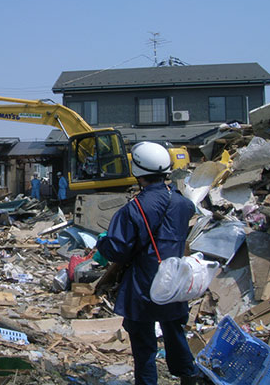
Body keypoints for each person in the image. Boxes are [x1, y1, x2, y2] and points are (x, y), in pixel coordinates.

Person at [96, 142, 200, 385]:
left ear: (137, 170)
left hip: (143, 284)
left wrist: (102, 244)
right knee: (175, 331)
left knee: (144, 347)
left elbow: (118, 250)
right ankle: (189, 376)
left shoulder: (133, 209)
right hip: (174, 279)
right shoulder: (183, 204)